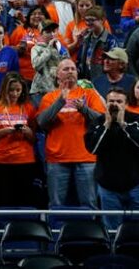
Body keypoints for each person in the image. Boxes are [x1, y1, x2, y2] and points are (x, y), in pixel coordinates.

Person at [37, 59, 106, 209]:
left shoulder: (89, 94)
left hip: (86, 157)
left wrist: (84, 109)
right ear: (57, 74)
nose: (70, 72)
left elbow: (101, 120)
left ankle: (90, 232)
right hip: (57, 158)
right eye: (65, 69)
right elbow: (41, 122)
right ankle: (56, 232)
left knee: (90, 204)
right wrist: (60, 102)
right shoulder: (49, 98)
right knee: (56, 205)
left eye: (73, 69)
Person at [0, 73, 40, 208]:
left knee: (23, 202)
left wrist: (28, 132)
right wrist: (3, 132)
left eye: (18, 90)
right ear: (4, 89)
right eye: (11, 90)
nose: (15, 94)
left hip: (24, 161)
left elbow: (35, 138)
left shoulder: (29, 108)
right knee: (0, 202)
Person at [85, 87, 139, 229]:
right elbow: (93, 148)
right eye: (111, 101)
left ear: (126, 104)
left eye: (119, 101)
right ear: (106, 103)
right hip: (108, 186)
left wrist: (123, 125)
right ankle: (114, 251)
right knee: (112, 230)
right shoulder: (98, 122)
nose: (115, 105)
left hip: (135, 183)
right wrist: (107, 125)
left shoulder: (135, 120)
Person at [31, 20, 69, 103]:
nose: (52, 34)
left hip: (57, 90)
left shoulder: (61, 48)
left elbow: (68, 67)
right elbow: (36, 65)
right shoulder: (36, 48)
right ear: (41, 34)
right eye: (48, 32)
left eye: (53, 31)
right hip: (40, 91)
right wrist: (49, 49)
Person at [77, 6, 119, 80]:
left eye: (92, 20)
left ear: (102, 20)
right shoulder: (85, 38)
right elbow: (80, 59)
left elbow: (114, 65)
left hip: (102, 79)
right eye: (87, 20)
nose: (88, 23)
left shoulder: (111, 40)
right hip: (86, 78)